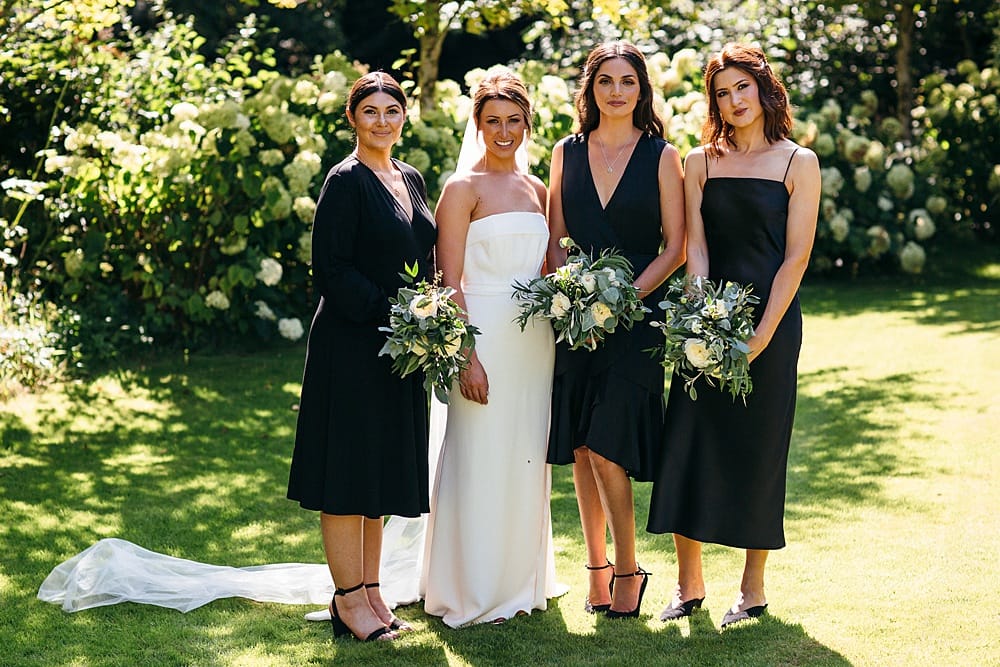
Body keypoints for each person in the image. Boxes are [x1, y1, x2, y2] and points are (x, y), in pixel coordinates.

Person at [646, 43, 821, 628]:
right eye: (722, 93)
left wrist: (762, 336)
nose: (734, 100)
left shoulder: (799, 163)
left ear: (764, 89)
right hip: (706, 327)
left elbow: (795, 258)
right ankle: (688, 585)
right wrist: (701, 316)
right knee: (687, 442)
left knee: (758, 451)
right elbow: (696, 248)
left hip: (772, 324)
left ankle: (752, 591)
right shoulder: (700, 162)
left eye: (742, 87)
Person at [286, 71, 437, 642]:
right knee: (349, 476)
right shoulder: (345, 180)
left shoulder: (409, 177)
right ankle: (347, 600)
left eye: (391, 111)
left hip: (398, 352)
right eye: (370, 111)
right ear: (352, 118)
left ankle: (372, 593)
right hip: (351, 347)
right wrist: (395, 314)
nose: (382, 121)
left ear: (404, 117)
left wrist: (428, 314)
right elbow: (332, 270)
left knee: (377, 475)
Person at [421, 70, 567, 628]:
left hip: (534, 344)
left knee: (524, 456)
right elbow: (447, 280)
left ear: (527, 124)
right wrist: (467, 356)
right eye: (493, 122)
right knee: (478, 456)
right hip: (482, 336)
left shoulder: (538, 190)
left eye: (514, 121)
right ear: (478, 126)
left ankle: (520, 581)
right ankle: (473, 588)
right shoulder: (462, 189)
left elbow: (548, 267)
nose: (504, 132)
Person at [546, 41, 686, 619]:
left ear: (642, 89)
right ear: (591, 89)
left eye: (628, 81)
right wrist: (574, 301)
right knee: (582, 447)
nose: (617, 91)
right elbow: (556, 239)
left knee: (607, 446)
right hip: (577, 321)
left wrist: (623, 299)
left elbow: (676, 247)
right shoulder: (565, 152)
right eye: (606, 81)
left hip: (636, 321)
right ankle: (597, 568)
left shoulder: (663, 156)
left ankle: (629, 569)